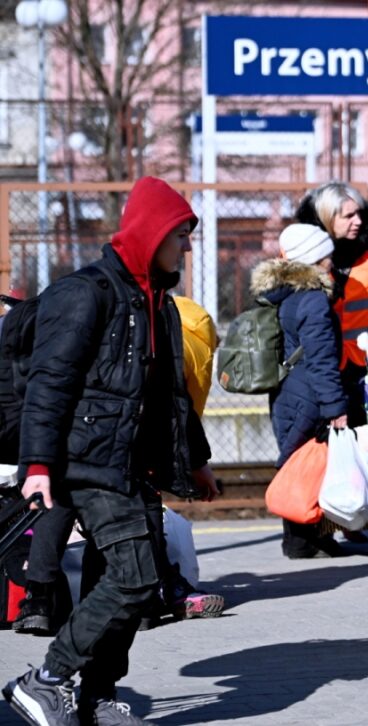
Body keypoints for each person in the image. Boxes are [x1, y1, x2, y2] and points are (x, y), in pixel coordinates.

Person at [3, 176, 218, 726]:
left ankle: (97, 694)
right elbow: (48, 384)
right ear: (153, 236)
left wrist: (195, 458)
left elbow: (171, 396)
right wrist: (39, 465)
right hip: (86, 459)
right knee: (136, 577)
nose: (187, 248)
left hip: (130, 466)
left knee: (116, 584)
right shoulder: (85, 294)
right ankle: (44, 680)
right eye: (180, 236)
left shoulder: (159, 306)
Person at [296, 183, 368, 553]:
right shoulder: (308, 255)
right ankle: (318, 532)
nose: (357, 220)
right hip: (319, 369)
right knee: (319, 451)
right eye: (347, 214)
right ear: (326, 219)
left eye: (359, 212)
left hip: (365, 371)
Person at [256, 224, 348, 559]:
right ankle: (299, 541)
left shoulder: (287, 294)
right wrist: (335, 406)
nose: (332, 263)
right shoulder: (313, 301)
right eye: (327, 256)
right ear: (315, 259)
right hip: (307, 394)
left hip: (286, 391)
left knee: (299, 462)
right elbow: (321, 358)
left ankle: (311, 538)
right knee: (306, 465)